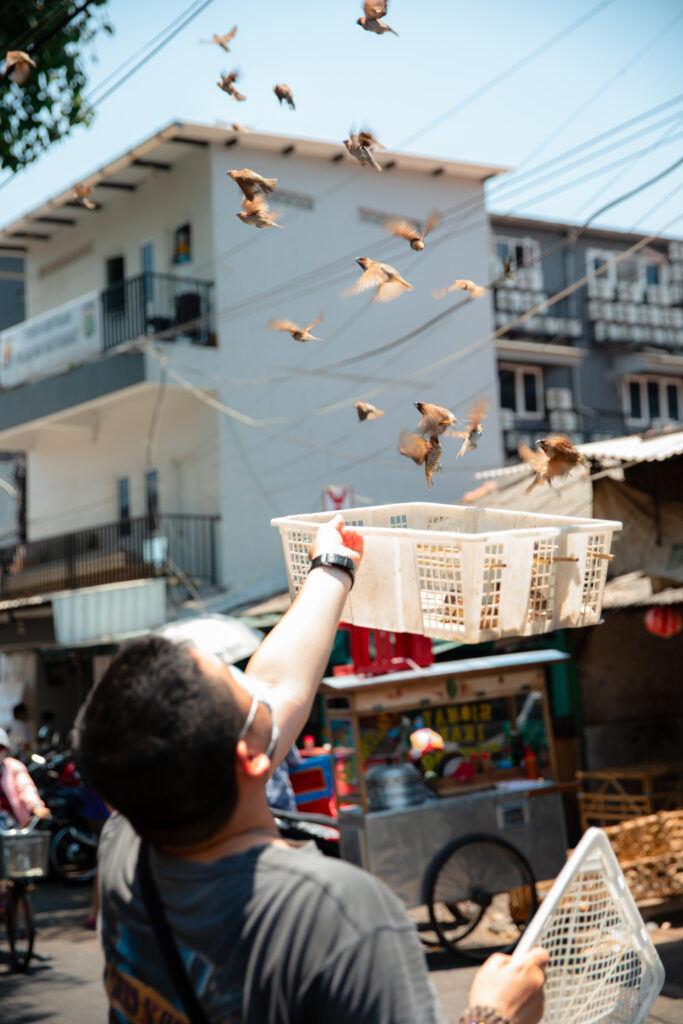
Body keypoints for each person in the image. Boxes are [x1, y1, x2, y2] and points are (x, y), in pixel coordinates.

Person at [73, 515, 547, 1024]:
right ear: (252, 758)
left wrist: (334, 567)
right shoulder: (336, 913)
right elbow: (273, 689)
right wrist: (494, 1014)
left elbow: (277, 684)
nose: (256, 688)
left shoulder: (127, 844)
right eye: (239, 688)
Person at [0, 727, 50, 828]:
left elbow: (26, 788)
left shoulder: (14, 766)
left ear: (5, 750)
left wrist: (36, 806)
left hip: (16, 828)